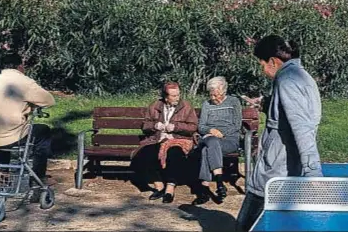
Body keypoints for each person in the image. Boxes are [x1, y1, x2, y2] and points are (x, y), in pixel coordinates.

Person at [236, 35, 323, 232]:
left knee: (245, 226)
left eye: (262, 64)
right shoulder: (301, 76)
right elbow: (291, 113)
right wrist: (266, 103)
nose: (262, 69)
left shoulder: (288, 80)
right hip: (283, 171)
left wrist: (313, 172)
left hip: (274, 174)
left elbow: (302, 127)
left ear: (273, 61)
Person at [0, 53, 55, 186]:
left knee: (3, 133)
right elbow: (49, 100)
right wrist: (31, 105)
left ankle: (3, 175)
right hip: (10, 135)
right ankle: (38, 178)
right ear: (20, 66)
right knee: (43, 131)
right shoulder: (24, 82)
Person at [132, 82, 197, 203]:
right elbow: (145, 125)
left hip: (177, 139)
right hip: (157, 139)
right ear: (165, 97)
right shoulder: (155, 105)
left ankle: (170, 189)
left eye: (178, 95)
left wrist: (176, 127)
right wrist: (155, 125)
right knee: (145, 154)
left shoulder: (186, 106)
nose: (177, 98)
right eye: (173, 96)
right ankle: (159, 186)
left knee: (174, 154)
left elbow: (193, 127)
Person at [193, 76, 243, 205]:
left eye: (217, 95)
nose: (214, 98)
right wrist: (211, 131)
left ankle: (204, 188)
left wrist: (222, 133)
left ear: (224, 91)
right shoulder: (206, 104)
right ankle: (219, 183)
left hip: (229, 139)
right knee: (211, 142)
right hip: (210, 137)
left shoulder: (234, 102)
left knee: (206, 150)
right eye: (212, 95)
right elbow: (201, 126)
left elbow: (237, 125)